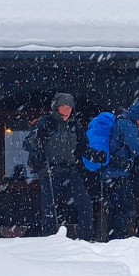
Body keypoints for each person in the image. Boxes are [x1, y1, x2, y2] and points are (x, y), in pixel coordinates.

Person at [26, 93, 93, 239]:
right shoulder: (45, 122)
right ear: (56, 107)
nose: (67, 109)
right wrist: (38, 146)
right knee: (49, 210)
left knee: (85, 204)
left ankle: (86, 240)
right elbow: (28, 143)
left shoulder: (75, 125)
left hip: (70, 171)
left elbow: (83, 147)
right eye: (63, 106)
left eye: (69, 106)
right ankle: (49, 240)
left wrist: (95, 155)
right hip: (50, 172)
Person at [99, 101, 139, 240]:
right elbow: (137, 148)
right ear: (137, 117)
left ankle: (113, 236)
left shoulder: (122, 121)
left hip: (112, 173)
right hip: (119, 173)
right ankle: (119, 237)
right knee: (122, 206)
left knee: (115, 206)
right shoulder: (127, 125)